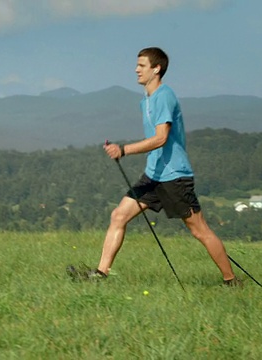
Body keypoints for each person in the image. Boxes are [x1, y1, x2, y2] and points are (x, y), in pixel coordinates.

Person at [67, 47, 241, 287]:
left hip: (175, 176)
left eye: (142, 65)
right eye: (137, 65)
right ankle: (101, 274)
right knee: (118, 215)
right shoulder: (145, 101)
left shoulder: (164, 96)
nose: (136, 69)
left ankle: (231, 281)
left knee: (199, 230)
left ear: (156, 69)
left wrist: (124, 150)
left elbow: (161, 138)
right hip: (153, 174)